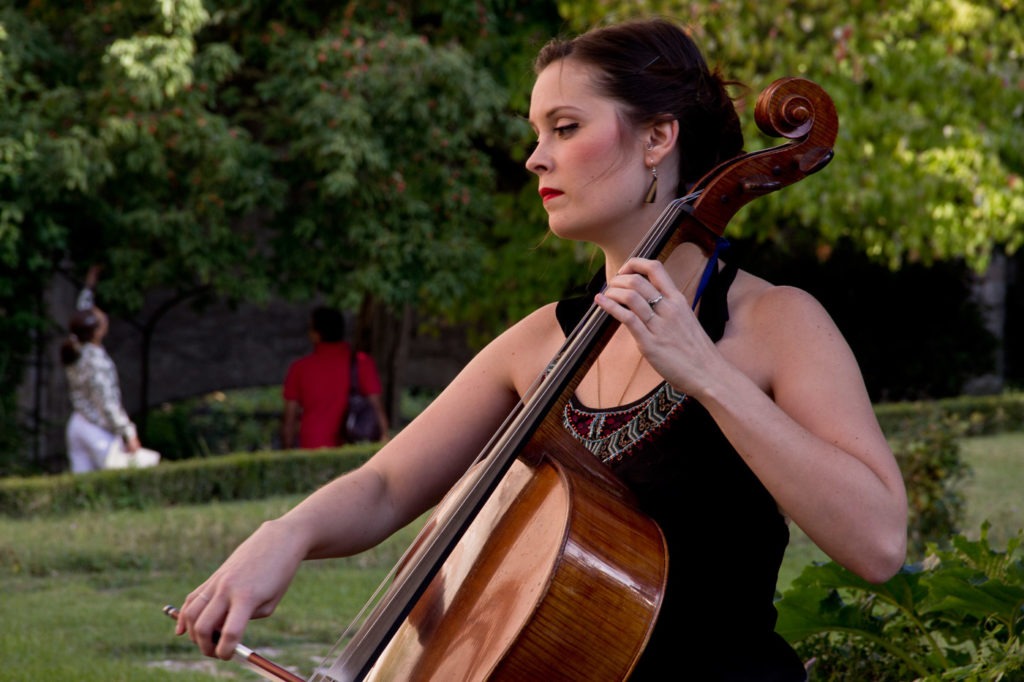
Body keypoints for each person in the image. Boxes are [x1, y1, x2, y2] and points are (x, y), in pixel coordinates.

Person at [177, 18, 907, 680]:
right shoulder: (542, 340)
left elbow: (877, 542)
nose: (534, 159)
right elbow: (387, 487)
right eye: (537, 132)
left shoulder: (777, 323)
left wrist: (709, 374)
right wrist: (288, 532)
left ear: (658, 138)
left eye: (565, 127)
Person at [60, 265, 160, 472]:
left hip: (77, 423)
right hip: (97, 429)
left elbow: (82, 313)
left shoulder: (75, 346)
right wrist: (128, 433)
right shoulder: (96, 362)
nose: (103, 316)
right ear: (96, 332)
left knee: (82, 489)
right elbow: (107, 402)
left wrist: (90, 285)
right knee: (126, 477)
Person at [280, 306, 390, 449]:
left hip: (312, 445)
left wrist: (287, 450)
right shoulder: (362, 363)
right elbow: (377, 408)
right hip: (352, 445)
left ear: (316, 334)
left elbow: (289, 419)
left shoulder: (300, 368)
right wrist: (385, 438)